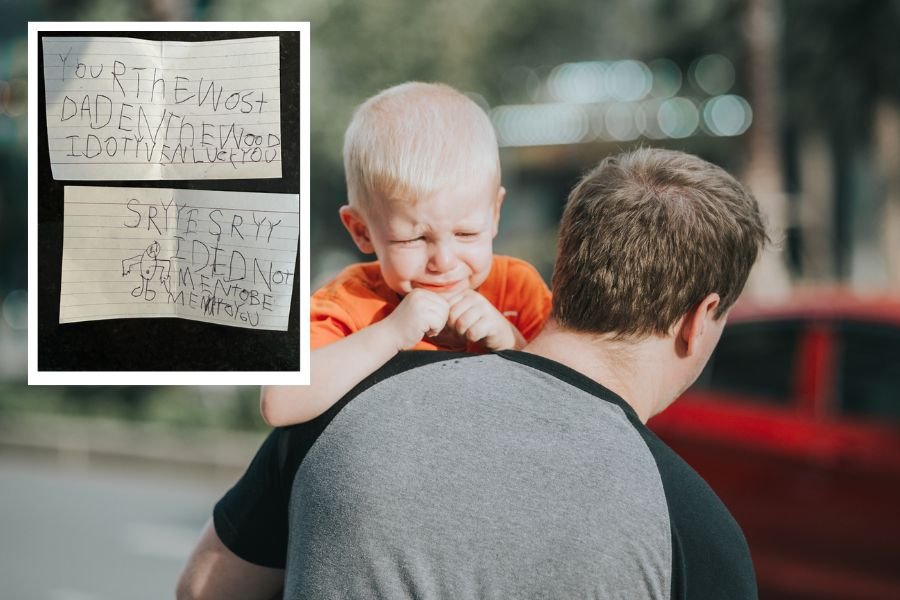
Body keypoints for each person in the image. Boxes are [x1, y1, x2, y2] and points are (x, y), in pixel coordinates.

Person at [177, 148, 768, 600]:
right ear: (700, 319)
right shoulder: (697, 532)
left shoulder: (345, 404)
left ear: (563, 272)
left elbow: (203, 588)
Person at [259, 82, 551, 427]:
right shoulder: (351, 301)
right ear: (361, 231)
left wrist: (511, 342)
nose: (443, 261)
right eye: (413, 239)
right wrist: (390, 333)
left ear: (495, 214)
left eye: (466, 233)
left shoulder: (516, 288)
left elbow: (571, 402)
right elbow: (280, 404)